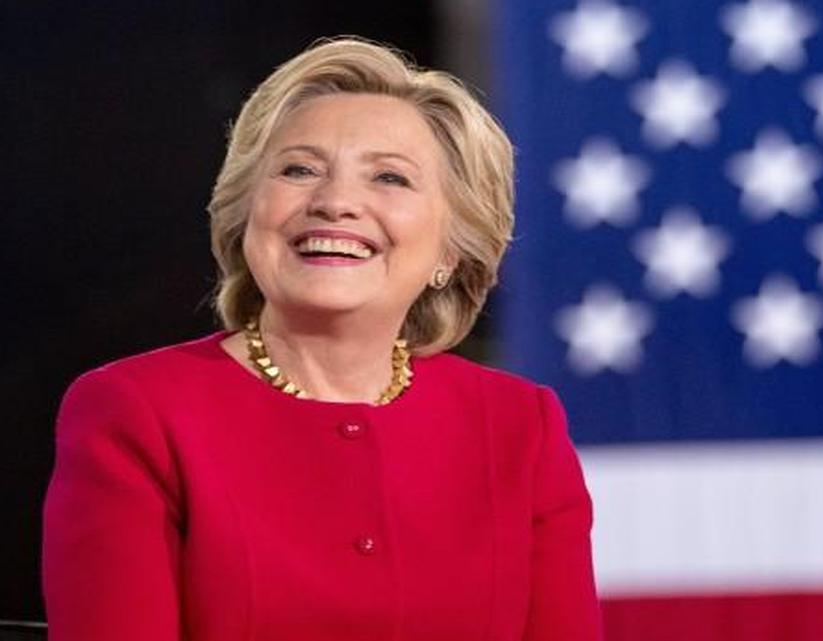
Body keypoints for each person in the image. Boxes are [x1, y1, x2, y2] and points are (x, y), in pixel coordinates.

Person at [42, 37, 602, 641]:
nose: (336, 204)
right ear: (244, 214)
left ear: (451, 247)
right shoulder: (134, 411)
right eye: (299, 170)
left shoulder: (520, 425)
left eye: (390, 177)